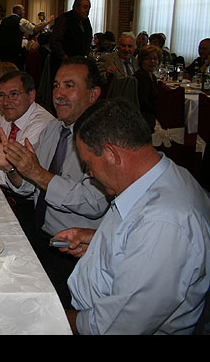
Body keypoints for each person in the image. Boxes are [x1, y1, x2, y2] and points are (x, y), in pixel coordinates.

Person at [55, 98, 210, 335]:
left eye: (89, 164)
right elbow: (140, 242)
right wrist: (100, 242)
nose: (92, 173)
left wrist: (49, 319)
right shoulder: (159, 174)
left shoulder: (163, 222)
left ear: (111, 154)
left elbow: (113, 327)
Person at [0, 56, 109, 308]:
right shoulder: (54, 130)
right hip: (40, 234)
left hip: (73, 252)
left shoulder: (103, 139)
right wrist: (11, 167)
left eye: (70, 86)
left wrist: (36, 173)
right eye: (57, 86)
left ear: (93, 94)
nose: (59, 94)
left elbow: (93, 203)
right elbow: (28, 186)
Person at [0, 4, 54, 68]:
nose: (24, 12)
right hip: (15, 53)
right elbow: (34, 29)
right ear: (18, 11)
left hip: (2, 51)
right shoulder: (21, 21)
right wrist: (48, 22)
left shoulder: (2, 21)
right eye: (23, 10)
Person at [49, 0, 93, 75]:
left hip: (79, 63)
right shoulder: (64, 19)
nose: (87, 11)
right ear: (76, 7)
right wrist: (65, 57)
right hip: (63, 63)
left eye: (89, 8)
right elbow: (55, 41)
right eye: (85, 7)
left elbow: (88, 38)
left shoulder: (86, 21)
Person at [133, 45, 161, 133]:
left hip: (150, 114)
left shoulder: (152, 76)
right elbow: (143, 102)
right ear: (141, 61)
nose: (152, 61)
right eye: (148, 59)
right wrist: (160, 111)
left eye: (155, 59)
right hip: (144, 118)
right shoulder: (141, 77)